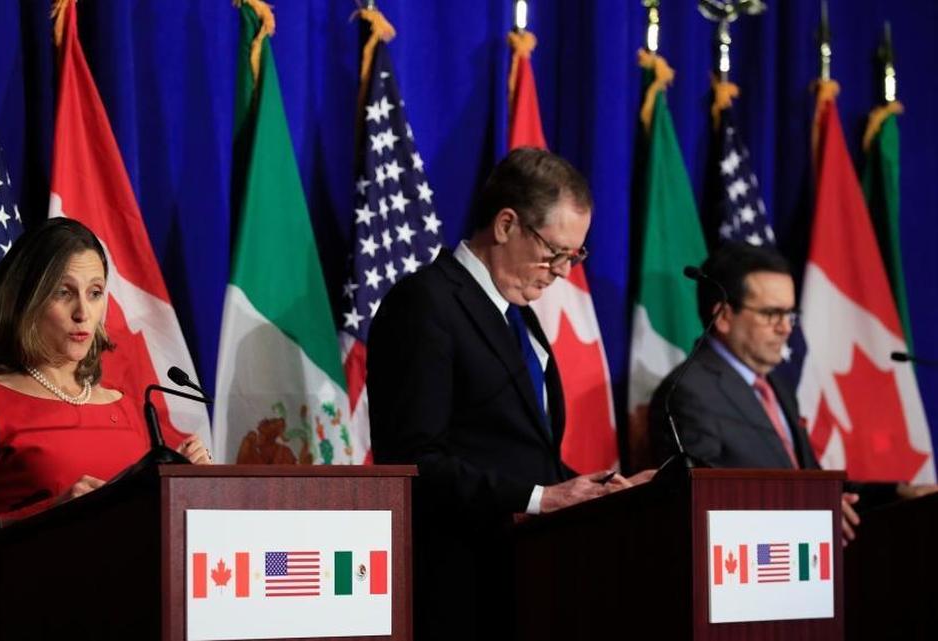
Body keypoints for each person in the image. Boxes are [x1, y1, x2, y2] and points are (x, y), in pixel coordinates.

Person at [368, 148, 642, 641]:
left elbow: (521, 454)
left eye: (575, 256)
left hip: (527, 577)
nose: (562, 271)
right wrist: (541, 498)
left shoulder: (521, 317)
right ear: (505, 225)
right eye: (555, 251)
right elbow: (412, 461)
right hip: (457, 586)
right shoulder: (425, 304)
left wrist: (602, 493)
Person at [0, 218, 210, 640]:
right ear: (27, 298)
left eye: (95, 293)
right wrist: (51, 513)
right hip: (19, 622)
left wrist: (186, 482)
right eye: (64, 292)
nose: (83, 312)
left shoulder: (129, 408)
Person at [649, 241, 936, 543]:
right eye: (772, 314)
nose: (786, 328)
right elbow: (701, 496)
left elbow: (814, 487)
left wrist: (899, 494)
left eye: (790, 314)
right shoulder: (687, 392)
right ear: (723, 315)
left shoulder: (777, 387)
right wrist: (808, 509)